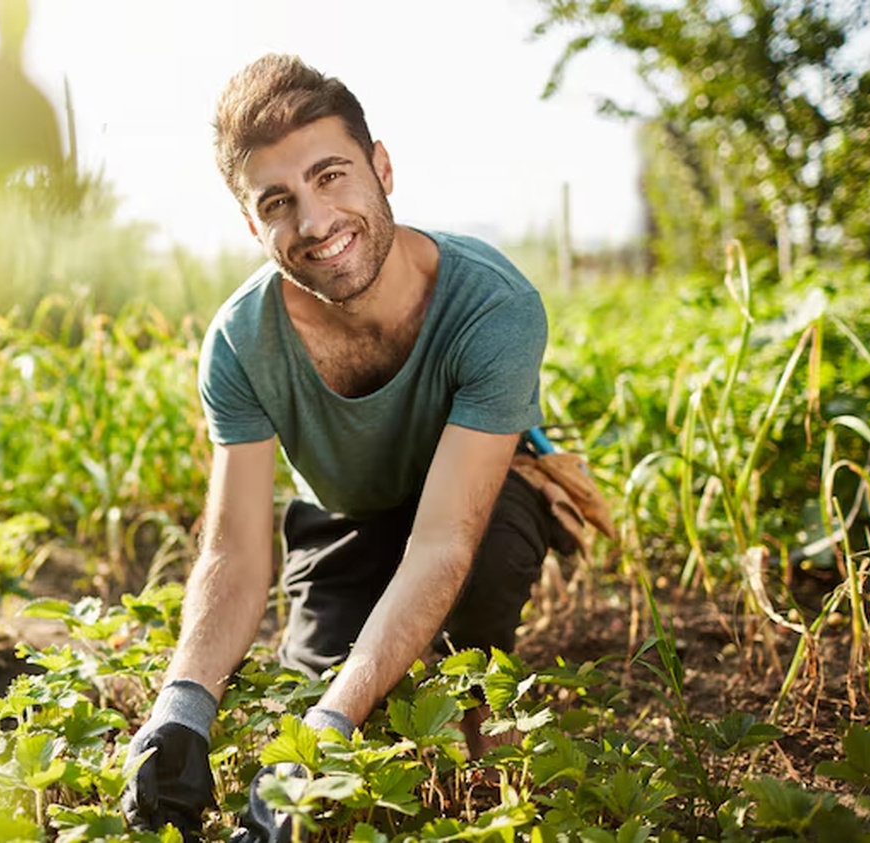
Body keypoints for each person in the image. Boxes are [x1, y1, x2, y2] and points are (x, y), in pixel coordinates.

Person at [121, 53, 574, 840]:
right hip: (344, 515)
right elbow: (234, 550)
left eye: (330, 176)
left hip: (472, 502)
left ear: (381, 168)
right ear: (252, 224)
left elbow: (442, 540)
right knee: (321, 686)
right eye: (278, 202)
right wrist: (181, 707)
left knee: (473, 577)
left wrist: (332, 724)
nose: (314, 222)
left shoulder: (493, 304)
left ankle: (480, 718)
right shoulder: (240, 341)